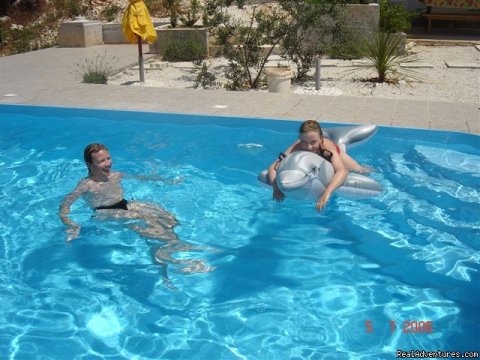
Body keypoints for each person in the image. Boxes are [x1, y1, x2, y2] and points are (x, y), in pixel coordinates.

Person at [59, 143, 213, 287]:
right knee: (150, 226)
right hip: (106, 214)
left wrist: (167, 181)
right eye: (101, 161)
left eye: (108, 158)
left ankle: (170, 250)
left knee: (167, 216)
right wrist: (72, 225)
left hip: (124, 204)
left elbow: (141, 178)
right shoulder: (86, 185)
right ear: (89, 165)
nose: (108, 163)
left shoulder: (116, 175)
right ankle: (175, 262)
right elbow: (64, 206)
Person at [267, 120, 371, 211]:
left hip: (335, 154)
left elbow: (342, 171)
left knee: (362, 171)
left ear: (321, 138)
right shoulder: (297, 147)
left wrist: (327, 193)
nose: (309, 147)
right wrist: (276, 188)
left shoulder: (326, 148)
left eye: (313, 142)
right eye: (304, 141)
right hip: (318, 164)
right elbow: (273, 167)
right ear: (299, 138)